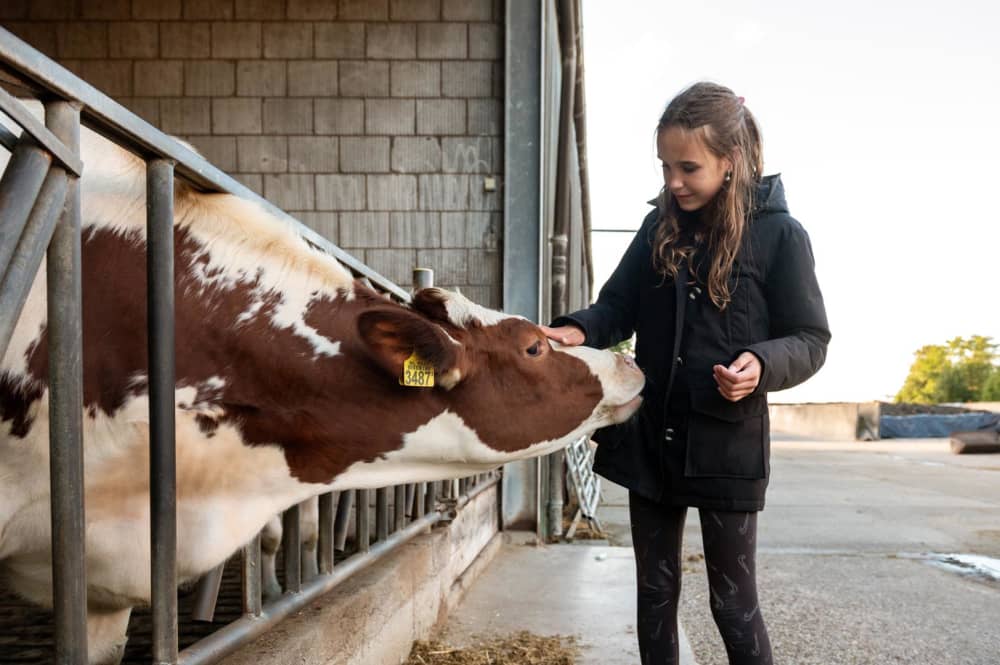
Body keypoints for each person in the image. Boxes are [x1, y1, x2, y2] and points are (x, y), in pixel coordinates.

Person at [541, 81, 830, 665]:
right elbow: (616, 307)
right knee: (654, 591)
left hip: (727, 444)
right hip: (653, 437)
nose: (673, 181)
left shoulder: (780, 235)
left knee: (732, 604)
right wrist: (575, 329)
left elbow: (811, 338)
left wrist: (762, 364)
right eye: (665, 166)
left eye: (688, 167)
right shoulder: (657, 229)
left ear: (731, 161)